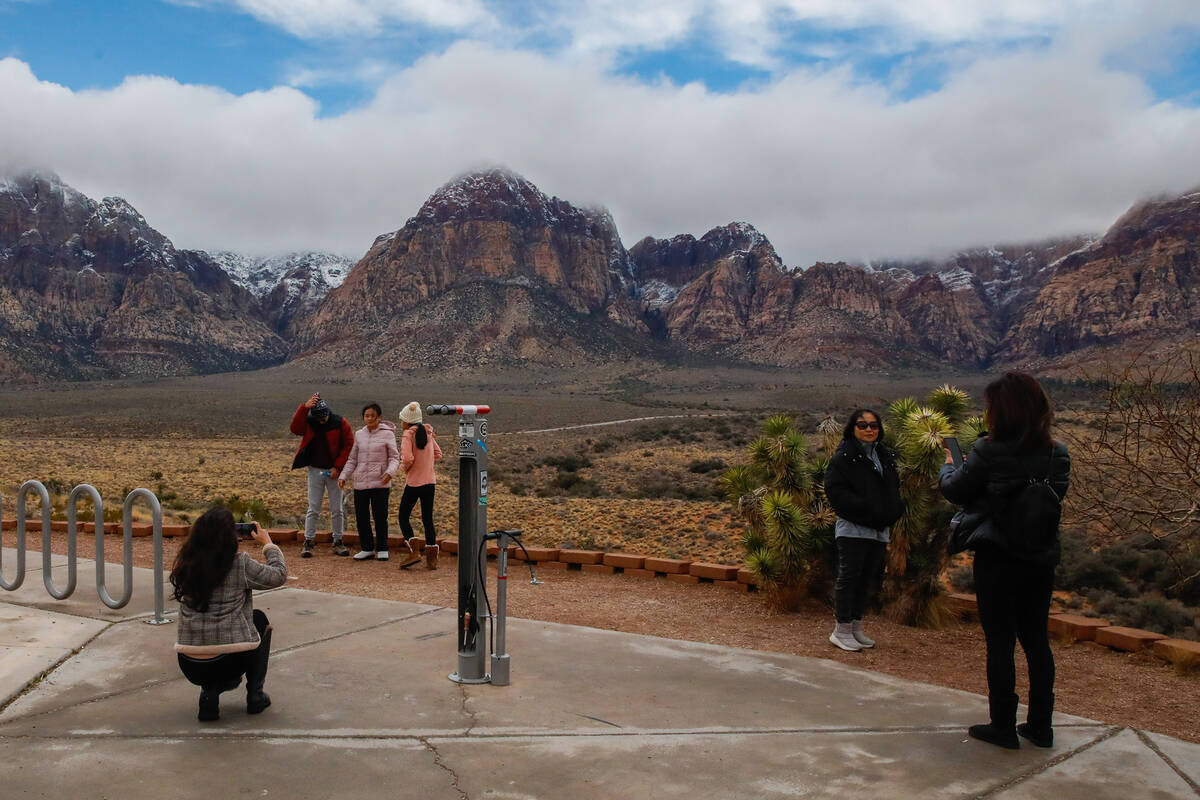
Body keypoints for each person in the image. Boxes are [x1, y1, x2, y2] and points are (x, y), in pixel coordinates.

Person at [939, 372, 1070, 750]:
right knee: (1036, 640)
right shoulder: (1057, 453)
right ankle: (1041, 727)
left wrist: (949, 463)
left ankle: (1002, 725)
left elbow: (956, 489)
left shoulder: (989, 450)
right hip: (1041, 557)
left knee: (1000, 641)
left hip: (998, 557)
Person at [170, 507, 286, 721]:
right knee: (259, 620)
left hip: (189, 664)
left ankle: (209, 693)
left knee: (208, 634)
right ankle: (255, 696)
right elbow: (278, 575)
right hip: (228, 662)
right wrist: (268, 544)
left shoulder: (186, 564)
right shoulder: (239, 563)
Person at [823, 408, 904, 652]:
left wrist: (893, 510)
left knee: (868, 578)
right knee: (849, 578)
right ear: (853, 428)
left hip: (879, 529)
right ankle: (841, 629)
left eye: (874, 425)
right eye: (862, 425)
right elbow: (835, 492)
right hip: (854, 528)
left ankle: (855, 627)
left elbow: (893, 488)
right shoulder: (844, 456)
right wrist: (866, 509)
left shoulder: (884, 455)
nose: (869, 429)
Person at [290, 393, 353, 557]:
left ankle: (338, 541)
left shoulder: (340, 423)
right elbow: (295, 428)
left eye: (324, 416)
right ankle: (308, 541)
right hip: (315, 470)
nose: (322, 419)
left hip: (333, 471)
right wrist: (304, 408)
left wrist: (338, 467)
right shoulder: (310, 421)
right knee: (313, 508)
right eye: (319, 416)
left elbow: (348, 445)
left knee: (337, 509)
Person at [338, 402, 400, 561]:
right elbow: (352, 459)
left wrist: (389, 472)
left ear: (379, 417)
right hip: (360, 482)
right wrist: (343, 476)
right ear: (363, 417)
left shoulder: (388, 434)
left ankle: (383, 548)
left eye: (373, 415)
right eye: (367, 415)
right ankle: (366, 548)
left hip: (380, 482)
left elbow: (394, 458)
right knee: (361, 516)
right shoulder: (359, 434)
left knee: (380, 516)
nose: (370, 418)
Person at [396, 401, 443, 569]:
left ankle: (414, 551)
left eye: (402, 419)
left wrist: (404, 468)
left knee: (403, 516)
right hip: (430, 482)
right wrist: (426, 463)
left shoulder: (408, 435)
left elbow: (408, 458)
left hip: (414, 482)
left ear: (407, 421)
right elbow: (438, 454)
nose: (401, 422)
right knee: (427, 519)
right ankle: (432, 559)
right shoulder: (428, 433)